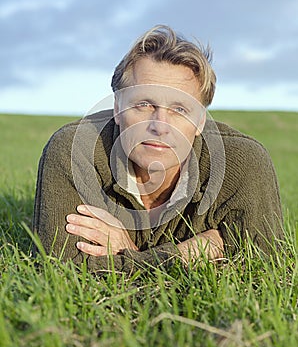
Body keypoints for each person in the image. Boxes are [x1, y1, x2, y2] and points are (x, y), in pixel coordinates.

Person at [33, 25, 284, 274]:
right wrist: (193, 252)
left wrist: (126, 254)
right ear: (118, 109)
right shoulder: (74, 150)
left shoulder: (242, 163)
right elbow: (58, 269)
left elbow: (265, 270)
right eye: (143, 104)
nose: (160, 126)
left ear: (200, 121)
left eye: (180, 109)